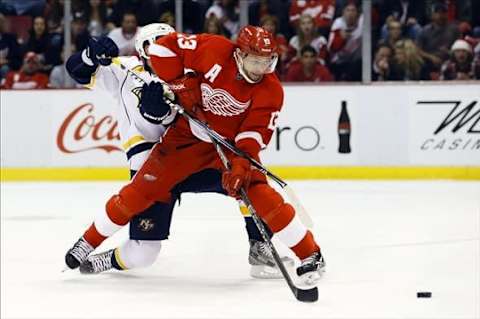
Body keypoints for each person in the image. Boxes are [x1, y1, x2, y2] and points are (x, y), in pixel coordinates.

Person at [66, 25, 326, 288]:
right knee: (143, 247)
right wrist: (89, 56)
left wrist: (240, 162)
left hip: (217, 147)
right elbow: (78, 71)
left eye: (266, 61)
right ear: (142, 50)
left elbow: (253, 133)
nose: (261, 68)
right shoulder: (127, 70)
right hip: (172, 150)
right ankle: (87, 242)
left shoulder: (257, 87)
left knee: (254, 189)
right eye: (255, 61)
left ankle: (291, 251)